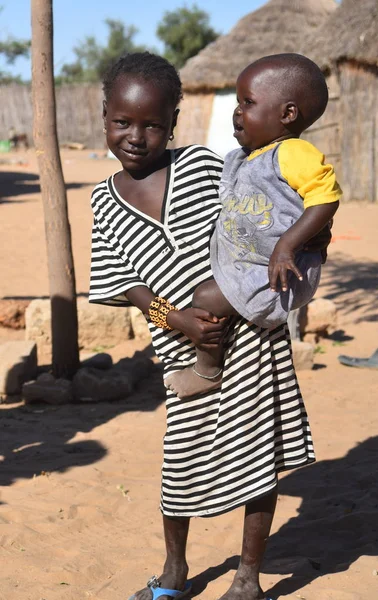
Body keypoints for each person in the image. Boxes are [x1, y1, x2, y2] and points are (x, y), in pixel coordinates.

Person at [89, 52, 331, 600]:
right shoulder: (105, 204)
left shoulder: (206, 165)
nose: (136, 136)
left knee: (259, 460)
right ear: (104, 116)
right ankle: (175, 569)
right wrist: (174, 319)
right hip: (184, 354)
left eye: (153, 124)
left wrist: (308, 241)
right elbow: (128, 289)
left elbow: (277, 203)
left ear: (173, 123)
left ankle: (248, 576)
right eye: (123, 122)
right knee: (180, 471)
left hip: (252, 341)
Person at [165, 53, 341, 399]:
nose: (237, 111)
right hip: (257, 262)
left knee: (205, 297)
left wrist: (287, 244)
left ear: (287, 114)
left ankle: (208, 370)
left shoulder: (293, 153)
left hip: (277, 271)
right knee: (206, 292)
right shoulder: (245, 157)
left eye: (248, 102)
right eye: (237, 102)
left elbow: (326, 196)